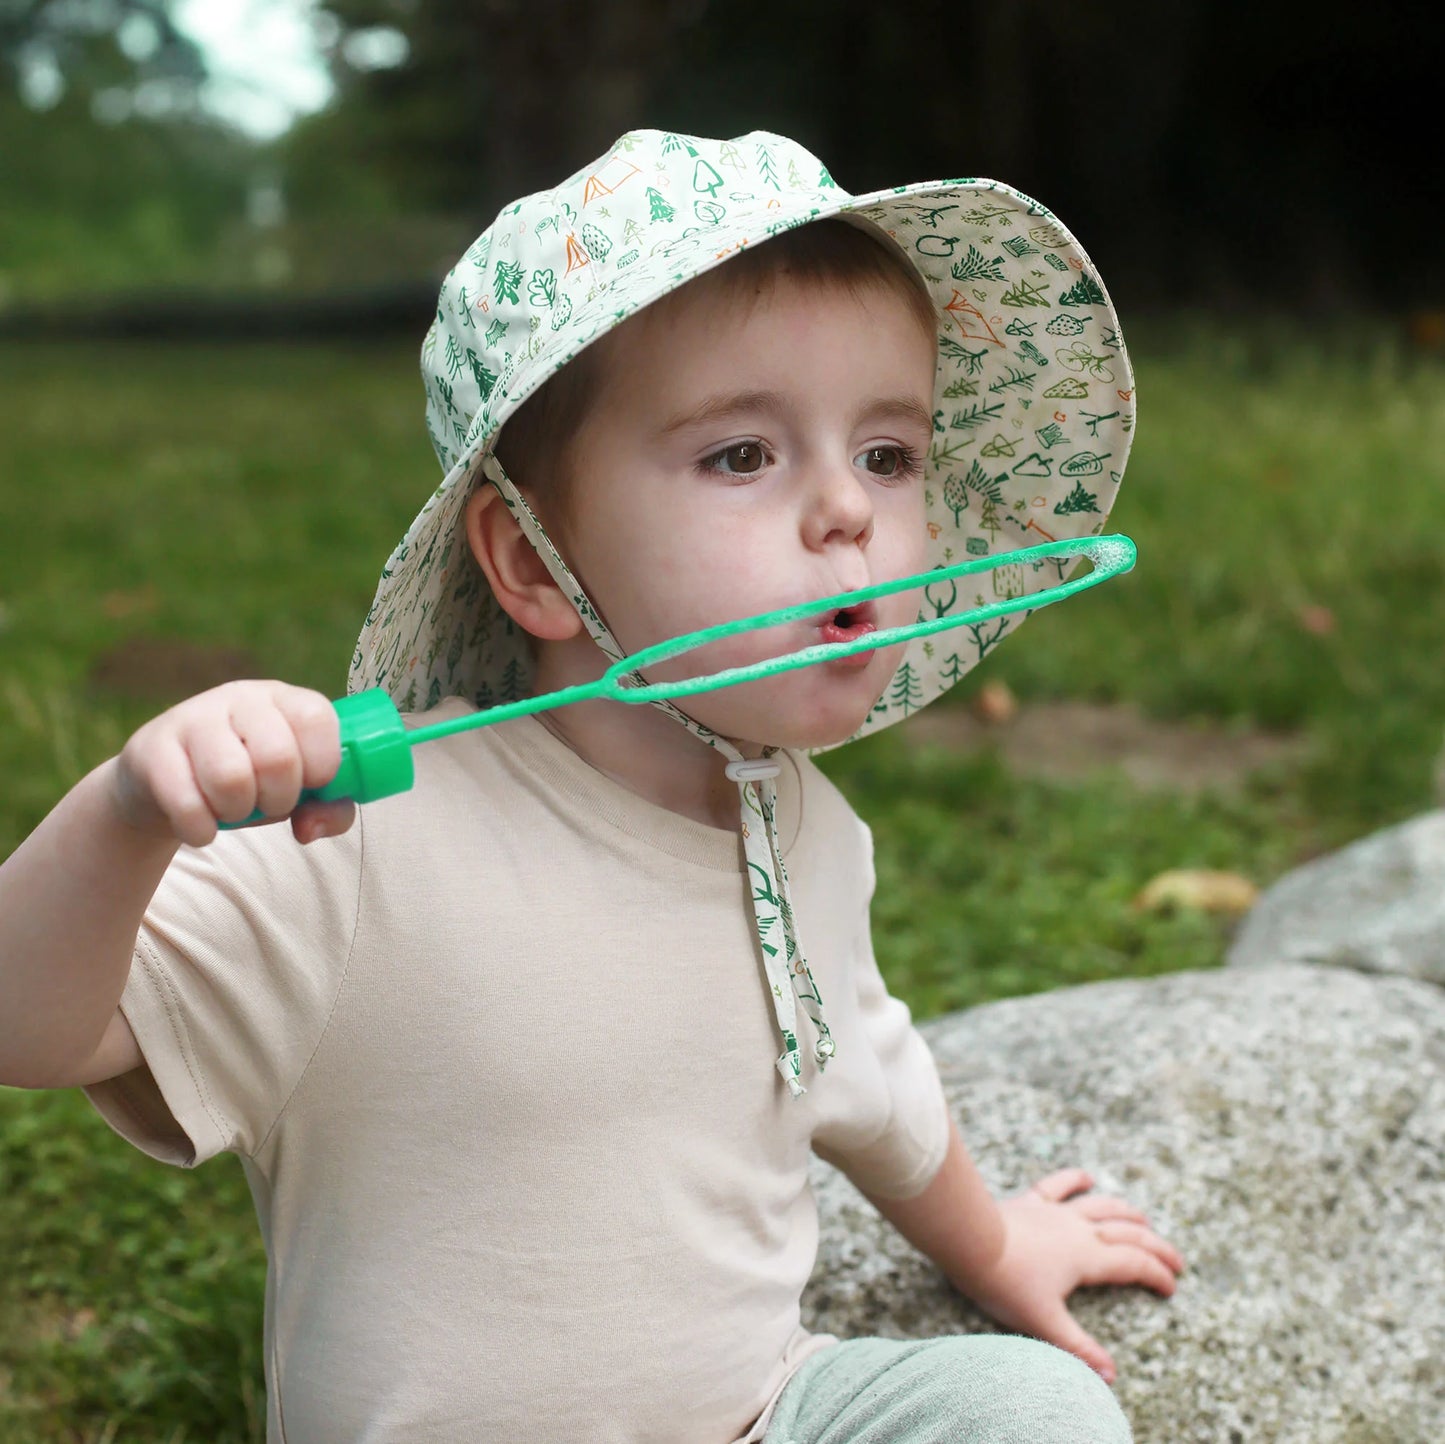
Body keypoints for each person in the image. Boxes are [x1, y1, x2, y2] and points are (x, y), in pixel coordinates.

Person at [0, 129, 1182, 1443]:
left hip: (749, 1413)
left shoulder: (806, 834)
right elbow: (26, 1026)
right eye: (742, 456)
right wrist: (122, 818)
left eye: (888, 456)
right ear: (535, 562)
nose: (848, 511)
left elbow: (870, 1072)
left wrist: (996, 1244)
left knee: (1032, 1409)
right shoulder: (372, 833)